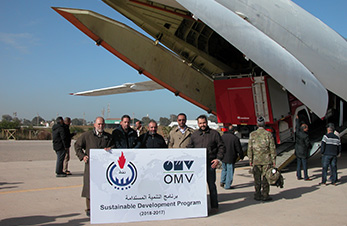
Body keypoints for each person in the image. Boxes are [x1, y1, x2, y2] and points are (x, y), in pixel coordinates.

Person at [74, 117, 113, 216]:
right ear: (94, 125)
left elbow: (114, 146)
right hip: (91, 167)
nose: (101, 126)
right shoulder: (87, 136)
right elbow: (77, 145)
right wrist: (82, 156)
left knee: (104, 188)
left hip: (104, 168)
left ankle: (103, 206)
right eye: (99, 124)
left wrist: (110, 149)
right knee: (89, 188)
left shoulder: (108, 137)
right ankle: (89, 209)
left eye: (102, 124)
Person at [187, 115, 225, 215]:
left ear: (207, 122)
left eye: (204, 123)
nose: (202, 125)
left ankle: (214, 206)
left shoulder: (214, 134)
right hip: (198, 166)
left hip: (210, 165)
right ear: (198, 124)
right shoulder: (194, 135)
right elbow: (189, 148)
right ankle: (199, 207)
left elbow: (221, 147)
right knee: (198, 187)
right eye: (200, 123)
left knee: (211, 186)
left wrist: (218, 159)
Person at [248, 116, 276, 201]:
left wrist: (250, 160)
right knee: (266, 178)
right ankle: (265, 195)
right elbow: (272, 148)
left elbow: (250, 148)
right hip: (266, 160)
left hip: (256, 160)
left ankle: (257, 194)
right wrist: (273, 160)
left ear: (257, 124)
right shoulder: (268, 134)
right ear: (264, 124)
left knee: (257, 179)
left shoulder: (252, 134)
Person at [220, 124, 244, 189]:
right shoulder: (235, 138)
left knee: (224, 169)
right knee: (230, 172)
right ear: (234, 130)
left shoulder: (223, 137)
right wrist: (241, 156)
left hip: (223, 156)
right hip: (231, 157)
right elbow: (238, 148)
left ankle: (222, 181)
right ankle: (227, 185)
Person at [295, 116, 312, 181]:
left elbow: (296, 127)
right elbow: (307, 144)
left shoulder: (298, 133)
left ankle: (299, 176)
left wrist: (297, 120)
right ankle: (306, 176)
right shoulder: (305, 136)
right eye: (306, 128)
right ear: (304, 129)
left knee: (299, 164)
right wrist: (310, 147)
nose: (307, 129)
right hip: (303, 151)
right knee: (304, 164)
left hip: (297, 150)